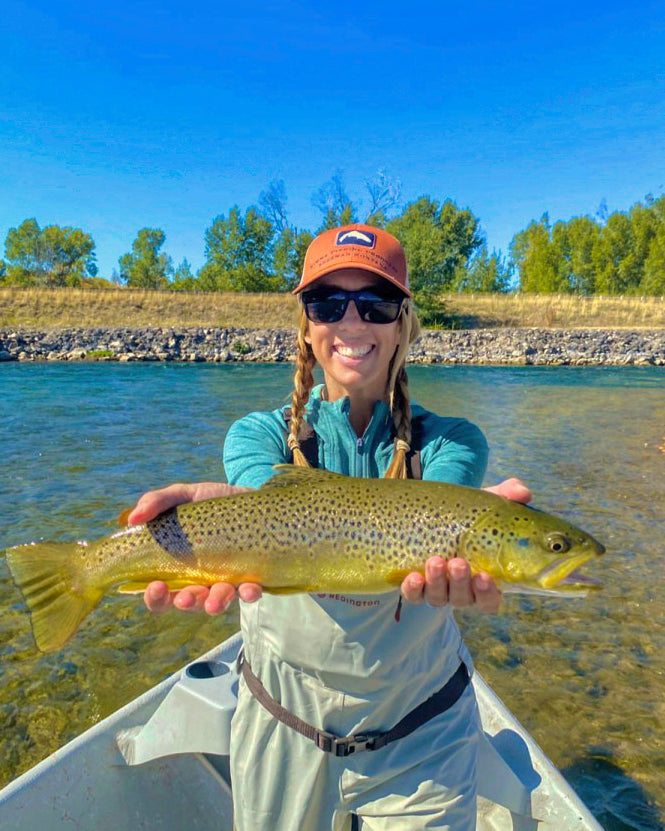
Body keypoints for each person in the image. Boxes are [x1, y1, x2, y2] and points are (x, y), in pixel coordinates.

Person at [128, 224, 531, 831]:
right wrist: (204, 529)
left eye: (375, 303)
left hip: (425, 732)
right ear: (306, 323)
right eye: (326, 302)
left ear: (404, 324)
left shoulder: (452, 442)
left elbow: (433, 512)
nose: (351, 322)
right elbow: (260, 502)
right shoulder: (256, 435)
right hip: (282, 723)